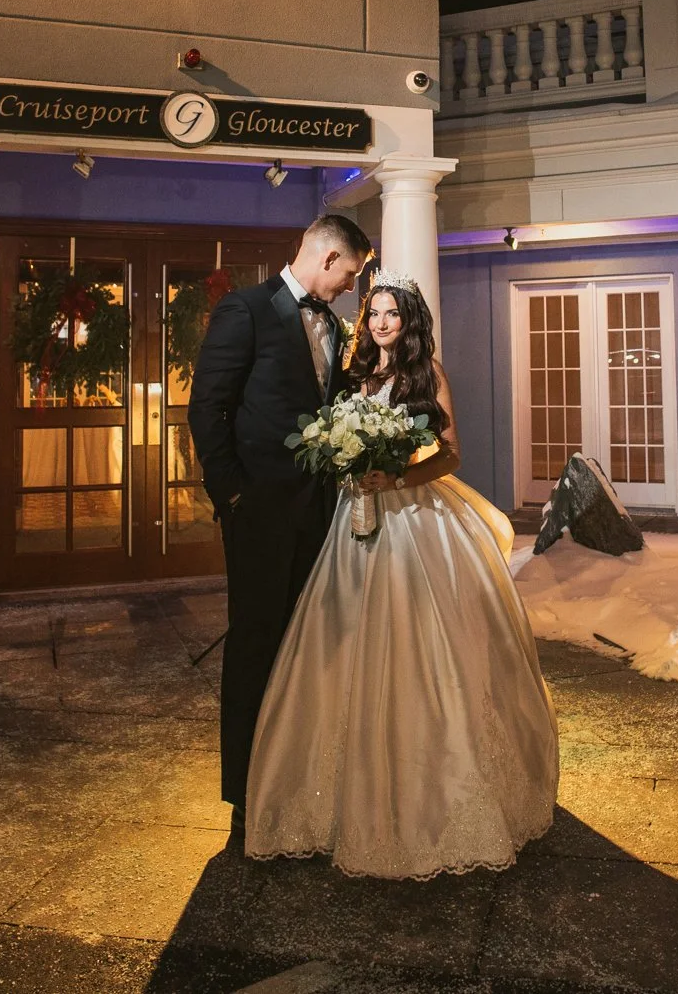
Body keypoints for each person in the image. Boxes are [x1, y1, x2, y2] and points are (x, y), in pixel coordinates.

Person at [243, 272, 559, 879]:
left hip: (416, 516)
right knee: (346, 640)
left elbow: (450, 452)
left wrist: (395, 477)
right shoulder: (358, 375)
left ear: (409, 320)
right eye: (376, 313)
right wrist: (348, 462)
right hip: (356, 517)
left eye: (393, 314)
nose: (384, 323)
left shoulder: (426, 375)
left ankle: (442, 788)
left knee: (425, 640)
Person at [189, 213, 373, 823]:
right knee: (256, 645)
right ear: (327, 259)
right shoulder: (244, 310)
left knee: (308, 646)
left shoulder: (336, 326)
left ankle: (300, 780)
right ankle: (245, 796)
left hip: (320, 514)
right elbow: (206, 409)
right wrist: (233, 497)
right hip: (260, 514)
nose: (350, 287)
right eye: (349, 274)